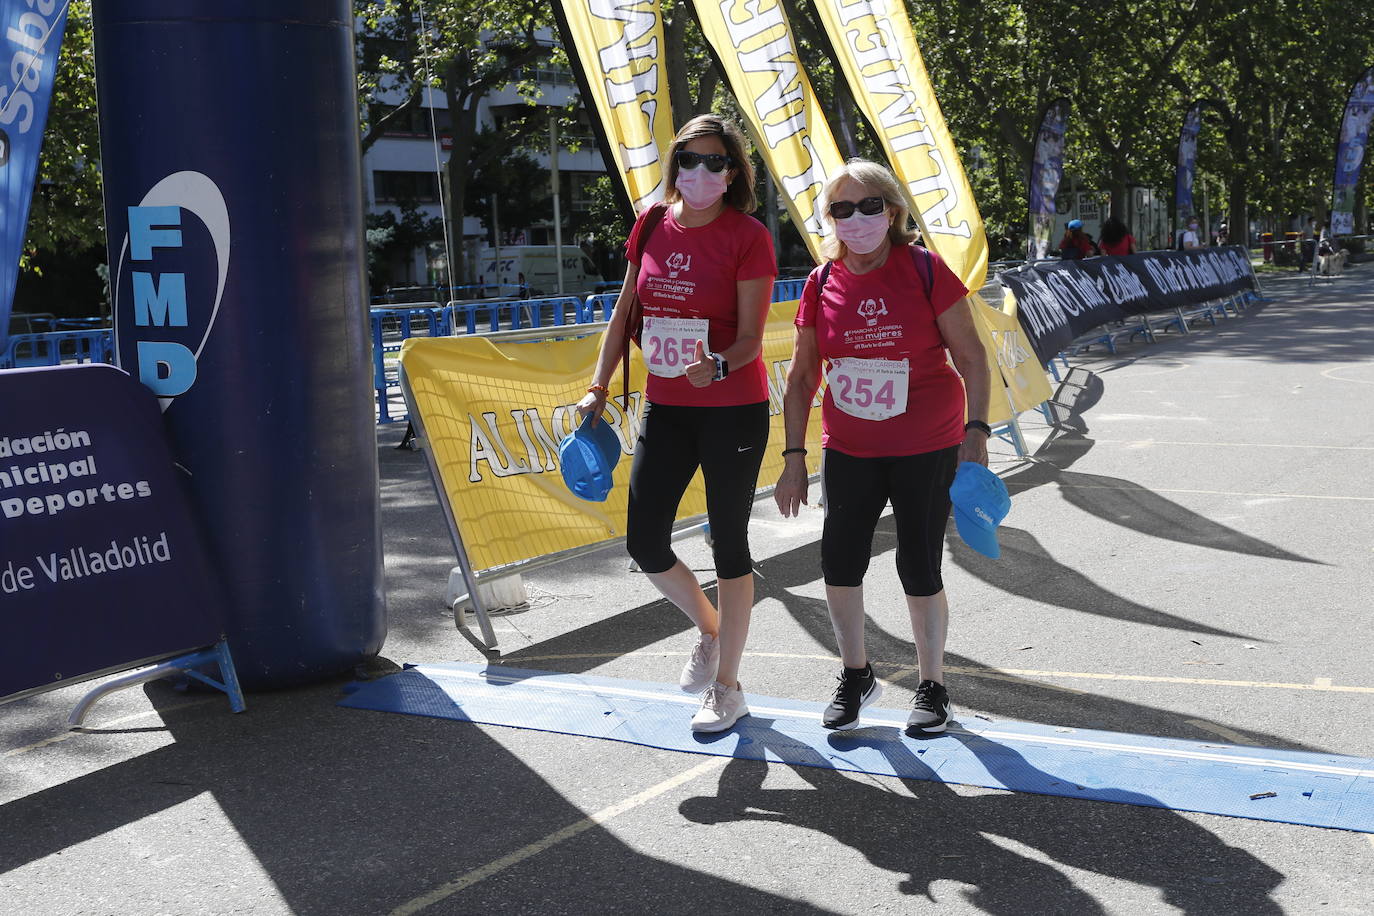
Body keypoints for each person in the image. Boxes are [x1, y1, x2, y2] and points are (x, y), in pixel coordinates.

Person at [773, 159, 992, 736]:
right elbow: (800, 380)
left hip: (927, 444)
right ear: (830, 220)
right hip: (849, 447)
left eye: (870, 206)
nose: (857, 218)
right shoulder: (821, 283)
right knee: (839, 563)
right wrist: (793, 460)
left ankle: (932, 684)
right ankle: (856, 673)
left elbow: (971, 357)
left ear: (892, 212)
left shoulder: (924, 269)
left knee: (917, 564)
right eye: (842, 209)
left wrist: (977, 432)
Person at [577, 114, 776, 733]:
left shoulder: (748, 235)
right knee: (644, 541)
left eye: (714, 162)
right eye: (687, 160)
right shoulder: (650, 226)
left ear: (733, 172)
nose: (698, 172)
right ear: (674, 166)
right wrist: (598, 385)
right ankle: (712, 631)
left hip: (732, 408)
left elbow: (750, 339)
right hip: (665, 407)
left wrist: (715, 365)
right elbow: (623, 312)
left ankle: (728, 686)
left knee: (729, 546)